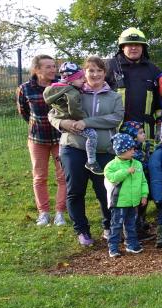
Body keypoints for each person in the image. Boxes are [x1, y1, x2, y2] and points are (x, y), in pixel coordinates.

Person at [49, 57, 124, 246]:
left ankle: (109, 227)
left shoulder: (114, 97)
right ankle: (82, 231)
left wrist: (87, 122)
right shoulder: (73, 91)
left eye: (99, 70)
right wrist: (62, 123)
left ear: (104, 73)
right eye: (91, 71)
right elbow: (52, 113)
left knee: (105, 191)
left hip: (104, 150)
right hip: (73, 148)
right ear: (84, 73)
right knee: (75, 190)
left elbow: (115, 118)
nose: (95, 74)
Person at [17, 54, 68, 227]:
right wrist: (37, 124)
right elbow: (24, 112)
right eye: (48, 67)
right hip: (37, 139)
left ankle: (60, 212)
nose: (53, 69)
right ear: (37, 70)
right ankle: (44, 213)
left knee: (63, 176)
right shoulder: (25, 89)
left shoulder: (62, 85)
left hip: (61, 137)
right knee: (39, 177)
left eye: (54, 66)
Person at [45, 62, 102, 174]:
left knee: (63, 137)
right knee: (92, 135)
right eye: (80, 78)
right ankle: (91, 161)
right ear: (70, 80)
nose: (83, 80)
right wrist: (84, 120)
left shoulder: (55, 88)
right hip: (72, 122)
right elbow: (74, 110)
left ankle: (60, 156)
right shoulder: (73, 92)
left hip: (61, 120)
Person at [105, 28, 161, 135]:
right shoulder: (109, 67)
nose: (134, 48)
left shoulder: (153, 70)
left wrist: (160, 124)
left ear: (143, 47)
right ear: (122, 47)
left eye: (138, 45)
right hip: (116, 131)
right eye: (129, 45)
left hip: (146, 132)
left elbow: (159, 102)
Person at [103, 133, 148, 257]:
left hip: (133, 202)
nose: (133, 151)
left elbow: (143, 181)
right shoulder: (111, 166)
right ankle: (113, 247)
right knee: (116, 225)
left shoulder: (137, 164)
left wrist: (144, 195)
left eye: (133, 148)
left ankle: (131, 245)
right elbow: (111, 177)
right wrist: (126, 172)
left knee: (131, 224)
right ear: (121, 150)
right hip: (119, 202)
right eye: (130, 149)